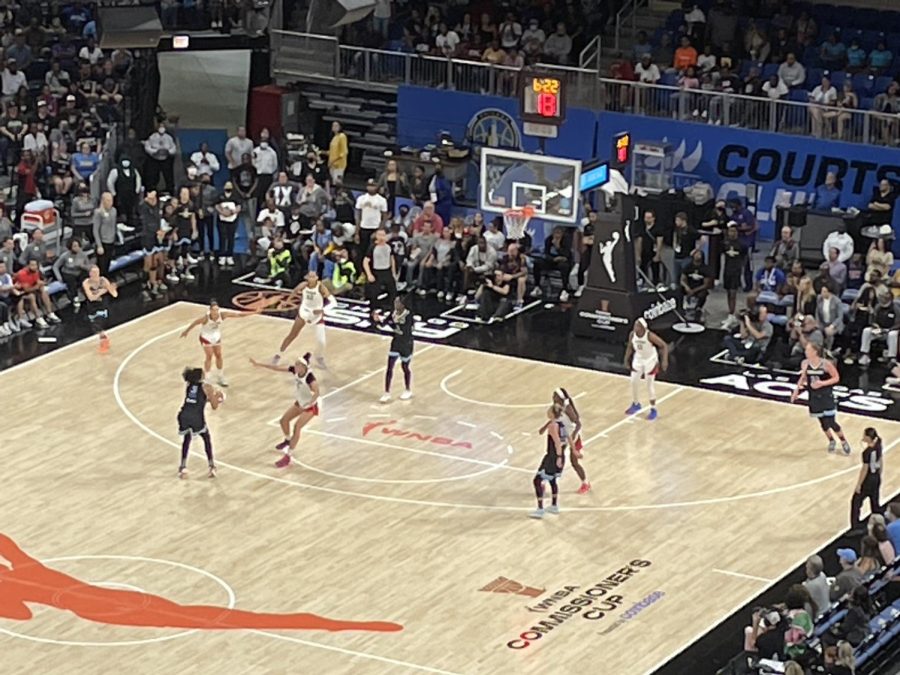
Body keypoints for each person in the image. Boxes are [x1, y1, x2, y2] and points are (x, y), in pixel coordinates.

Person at [0, 532, 402, 631]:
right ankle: (322, 622)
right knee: (204, 615)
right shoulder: (27, 569)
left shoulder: (17, 584)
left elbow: (22, 617)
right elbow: (8, 544)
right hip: (108, 597)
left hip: (97, 608)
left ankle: (318, 623)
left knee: (205, 619)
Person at [250, 352, 319, 469]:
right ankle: (288, 440)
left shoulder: (310, 378)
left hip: (310, 407)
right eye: (295, 364)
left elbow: (317, 393)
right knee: (283, 421)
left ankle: (288, 456)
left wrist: (309, 404)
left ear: (303, 367)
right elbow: (276, 368)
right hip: (300, 403)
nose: (295, 366)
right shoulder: (294, 371)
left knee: (297, 427)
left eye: (298, 365)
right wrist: (259, 364)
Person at [791, 342, 851, 454]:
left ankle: (843, 441)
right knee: (823, 423)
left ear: (814, 352)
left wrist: (822, 383)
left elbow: (836, 378)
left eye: (808, 350)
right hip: (814, 397)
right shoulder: (805, 363)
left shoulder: (826, 364)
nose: (805, 351)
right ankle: (831, 440)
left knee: (831, 422)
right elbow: (803, 377)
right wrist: (796, 391)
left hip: (826, 395)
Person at [180, 300, 256, 386]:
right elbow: (194, 323)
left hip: (216, 336)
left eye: (217, 309)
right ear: (210, 310)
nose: (216, 311)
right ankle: (207, 378)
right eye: (214, 310)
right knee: (209, 356)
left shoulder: (222, 315)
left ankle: (220, 376)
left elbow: (238, 315)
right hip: (206, 337)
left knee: (219, 355)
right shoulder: (205, 318)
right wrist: (186, 331)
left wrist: (253, 312)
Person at [273, 270, 333, 368]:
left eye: (314, 276)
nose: (312, 278)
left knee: (321, 341)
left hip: (316, 316)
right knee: (292, 335)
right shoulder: (303, 285)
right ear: (307, 278)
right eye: (310, 276)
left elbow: (333, 302)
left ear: (317, 278)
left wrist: (322, 310)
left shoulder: (321, 287)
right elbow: (295, 291)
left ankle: (319, 357)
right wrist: (287, 302)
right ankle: (278, 354)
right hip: (304, 313)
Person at [176, 367, 222, 478]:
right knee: (206, 438)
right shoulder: (207, 387)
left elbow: (198, 399)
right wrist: (218, 397)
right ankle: (211, 466)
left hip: (183, 415)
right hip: (196, 417)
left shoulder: (189, 386)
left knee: (187, 439)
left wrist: (210, 398)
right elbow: (214, 406)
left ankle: (183, 468)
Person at [624, 318, 669, 420]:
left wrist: (664, 360)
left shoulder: (650, 336)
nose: (635, 327)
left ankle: (653, 409)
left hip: (650, 360)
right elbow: (630, 347)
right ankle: (636, 404)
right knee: (633, 382)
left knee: (649, 385)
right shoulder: (632, 335)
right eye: (635, 325)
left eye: (637, 326)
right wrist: (626, 359)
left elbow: (664, 346)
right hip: (639, 358)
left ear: (643, 328)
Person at [377, 295, 414, 403]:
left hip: (406, 343)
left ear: (403, 305)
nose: (395, 304)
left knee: (405, 367)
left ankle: (408, 389)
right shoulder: (393, 313)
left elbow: (403, 331)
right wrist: (377, 320)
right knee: (389, 367)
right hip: (396, 343)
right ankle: (387, 392)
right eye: (395, 302)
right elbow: (383, 324)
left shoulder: (408, 315)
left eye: (397, 303)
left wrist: (391, 325)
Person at [531, 404, 566, 519]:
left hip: (552, 457)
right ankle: (554, 505)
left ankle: (540, 509)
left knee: (537, 480)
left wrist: (558, 457)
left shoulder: (552, 426)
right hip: (557, 456)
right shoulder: (561, 424)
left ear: (552, 413)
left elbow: (557, 442)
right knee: (552, 480)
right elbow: (564, 440)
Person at [552, 388, 589, 494]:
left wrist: (573, 437)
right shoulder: (556, 407)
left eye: (554, 395)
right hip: (564, 435)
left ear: (559, 397)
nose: (553, 397)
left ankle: (585, 483)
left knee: (574, 462)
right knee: (557, 459)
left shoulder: (567, 408)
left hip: (574, 436)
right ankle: (550, 481)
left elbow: (578, 424)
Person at [13, 258, 60, 329]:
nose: (34, 267)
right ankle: (38, 318)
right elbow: (27, 290)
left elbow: (36, 281)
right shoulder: (22, 274)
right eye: (32, 265)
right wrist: (37, 286)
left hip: (32, 288)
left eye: (35, 265)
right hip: (20, 293)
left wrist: (40, 284)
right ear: (27, 266)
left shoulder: (36, 271)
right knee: (32, 296)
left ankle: (50, 313)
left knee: (43, 290)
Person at [851, 427, 883, 529]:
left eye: (864, 435)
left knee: (856, 501)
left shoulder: (866, 452)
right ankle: (879, 522)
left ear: (869, 437)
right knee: (874, 501)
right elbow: (881, 460)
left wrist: (859, 484)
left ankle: (855, 526)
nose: (863, 437)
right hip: (876, 476)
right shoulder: (879, 443)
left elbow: (865, 469)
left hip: (868, 479)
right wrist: (879, 474)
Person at [363, 228, 397, 316]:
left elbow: (392, 258)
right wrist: (369, 274)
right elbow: (365, 261)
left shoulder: (389, 246)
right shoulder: (372, 247)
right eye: (379, 235)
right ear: (376, 236)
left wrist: (393, 272)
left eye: (383, 235)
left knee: (393, 291)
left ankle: (392, 309)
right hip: (377, 272)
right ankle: (373, 311)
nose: (381, 237)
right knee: (374, 293)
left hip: (387, 271)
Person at [720, 223, 747, 329]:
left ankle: (732, 314)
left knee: (733, 293)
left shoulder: (742, 244)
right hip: (727, 270)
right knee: (728, 292)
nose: (732, 233)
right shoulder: (725, 243)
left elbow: (745, 258)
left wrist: (741, 269)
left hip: (736, 271)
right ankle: (730, 313)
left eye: (734, 231)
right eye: (730, 231)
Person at [803, 555, 830, 620]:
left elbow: (809, 607)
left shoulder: (810, 586)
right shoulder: (822, 575)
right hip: (827, 608)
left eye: (807, 567)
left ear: (810, 570)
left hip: (819, 616)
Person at [327, 121, 348, 185]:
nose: (334, 127)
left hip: (339, 165)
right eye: (333, 126)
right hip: (332, 164)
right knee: (333, 183)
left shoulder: (342, 136)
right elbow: (332, 151)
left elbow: (344, 152)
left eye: (336, 126)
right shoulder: (334, 137)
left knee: (337, 183)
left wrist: (333, 161)